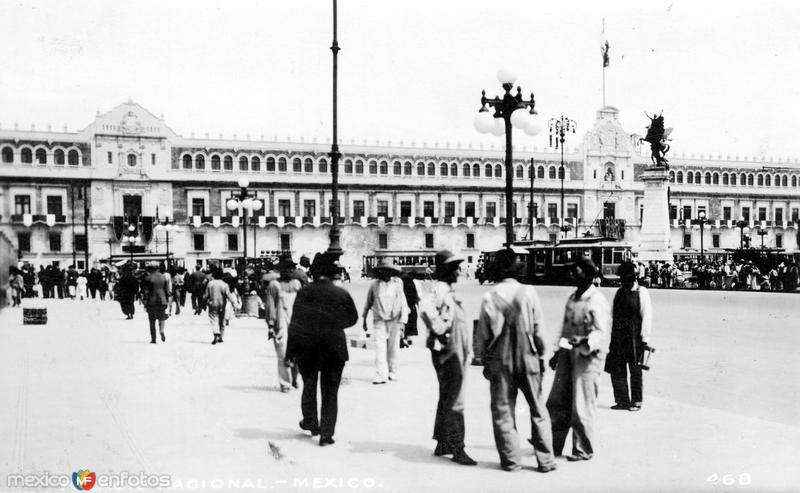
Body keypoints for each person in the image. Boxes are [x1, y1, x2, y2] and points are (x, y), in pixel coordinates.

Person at [474, 249, 557, 473]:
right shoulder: (528, 292)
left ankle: (511, 461)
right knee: (538, 409)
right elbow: (539, 329)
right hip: (527, 354)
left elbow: (482, 335)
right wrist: (541, 356)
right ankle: (546, 460)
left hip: (500, 358)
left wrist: (483, 360)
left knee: (503, 410)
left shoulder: (489, 297)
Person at [286, 253, 358, 446]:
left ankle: (311, 422)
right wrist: (334, 324)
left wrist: (289, 353)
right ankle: (327, 434)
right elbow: (353, 318)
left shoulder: (305, 293)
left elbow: (295, 323)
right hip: (335, 347)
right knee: (330, 391)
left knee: (309, 385)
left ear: (315, 273)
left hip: (308, 347)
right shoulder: (341, 294)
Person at [546, 257, 610, 462]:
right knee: (557, 401)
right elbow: (564, 328)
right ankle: (553, 445)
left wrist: (585, 342)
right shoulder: (573, 298)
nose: (573, 274)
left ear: (589, 275)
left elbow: (600, 332)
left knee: (581, 404)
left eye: (577, 271)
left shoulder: (596, 300)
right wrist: (557, 352)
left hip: (587, 357)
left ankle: (582, 449)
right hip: (567, 354)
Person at [418, 250, 477, 466]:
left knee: (447, 396)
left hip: (451, 351)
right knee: (455, 399)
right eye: (453, 268)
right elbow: (425, 308)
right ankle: (457, 448)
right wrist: (440, 331)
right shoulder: (441, 292)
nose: (458, 271)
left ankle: (443, 442)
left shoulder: (446, 291)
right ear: (443, 270)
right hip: (449, 353)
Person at [605, 261, 653, 412]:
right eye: (622, 278)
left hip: (635, 337)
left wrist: (645, 339)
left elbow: (647, 316)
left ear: (633, 277)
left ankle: (636, 401)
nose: (623, 281)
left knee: (635, 370)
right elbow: (611, 315)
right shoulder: (619, 292)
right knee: (617, 369)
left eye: (626, 278)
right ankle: (622, 400)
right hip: (618, 336)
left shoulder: (642, 292)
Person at [362, 260, 409, 384]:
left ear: (391, 272)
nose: (385, 274)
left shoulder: (397, 286)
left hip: (395, 320)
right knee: (380, 347)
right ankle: (380, 374)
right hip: (379, 320)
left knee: (393, 348)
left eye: (388, 271)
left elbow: (403, 303)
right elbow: (368, 303)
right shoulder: (374, 286)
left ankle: (392, 371)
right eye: (383, 271)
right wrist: (364, 319)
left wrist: (403, 321)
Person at [265, 257, 303, 392]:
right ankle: (284, 383)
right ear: (281, 270)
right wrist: (270, 325)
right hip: (280, 323)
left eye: (292, 268)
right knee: (283, 354)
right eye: (287, 268)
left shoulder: (297, 284)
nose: (290, 271)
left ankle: (295, 378)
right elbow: (271, 306)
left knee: (298, 353)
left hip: (297, 322)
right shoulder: (274, 285)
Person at [204, 268, 239, 344]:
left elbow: (205, 295)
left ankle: (216, 332)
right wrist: (234, 303)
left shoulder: (210, 283)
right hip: (222, 304)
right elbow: (228, 295)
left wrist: (203, 303)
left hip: (212, 303)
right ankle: (221, 337)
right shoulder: (224, 284)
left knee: (214, 319)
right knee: (222, 320)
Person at [143, 261, 171, 343]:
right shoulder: (163, 277)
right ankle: (161, 330)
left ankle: (153, 338)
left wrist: (144, 302)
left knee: (152, 320)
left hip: (151, 301)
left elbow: (145, 292)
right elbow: (167, 291)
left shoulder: (148, 278)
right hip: (162, 300)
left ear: (150, 269)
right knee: (161, 316)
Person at [399, 272, 420, 348]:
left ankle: (403, 337)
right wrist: (417, 305)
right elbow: (416, 296)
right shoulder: (412, 284)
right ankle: (408, 337)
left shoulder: (401, 284)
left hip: (404, 305)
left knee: (404, 321)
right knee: (411, 321)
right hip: (411, 306)